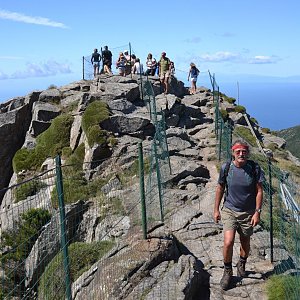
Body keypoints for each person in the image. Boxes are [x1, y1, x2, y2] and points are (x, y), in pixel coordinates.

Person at [213, 140, 264, 290]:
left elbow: (259, 191)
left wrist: (257, 212)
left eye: (244, 151)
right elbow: (220, 188)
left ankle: (242, 262)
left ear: (247, 153)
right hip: (229, 210)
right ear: (233, 153)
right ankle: (227, 271)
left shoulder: (254, 168)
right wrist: (216, 210)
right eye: (238, 151)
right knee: (228, 242)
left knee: (245, 242)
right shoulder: (226, 167)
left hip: (248, 212)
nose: (241, 154)